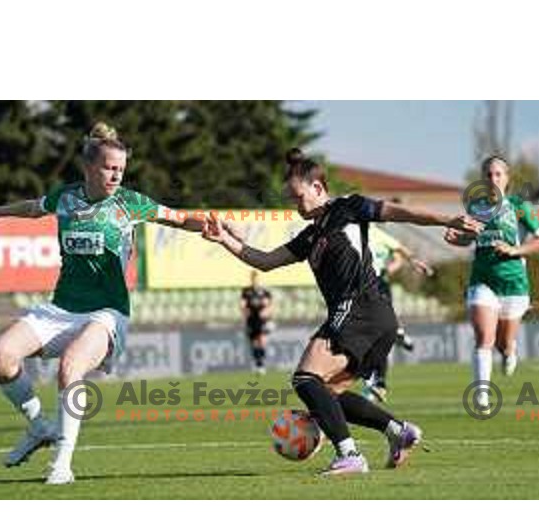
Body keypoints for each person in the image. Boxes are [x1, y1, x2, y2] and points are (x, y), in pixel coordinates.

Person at [203, 148, 482, 475]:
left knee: (306, 379)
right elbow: (264, 260)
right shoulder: (310, 236)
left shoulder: (348, 208)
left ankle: (349, 455)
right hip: (373, 318)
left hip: (362, 309)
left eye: (299, 197)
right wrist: (224, 239)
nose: (296, 206)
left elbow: (398, 212)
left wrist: (447, 219)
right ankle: (398, 430)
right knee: (329, 394)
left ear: (319, 188)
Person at [0, 122, 206, 485]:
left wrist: (208, 224)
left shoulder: (130, 203)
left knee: (71, 365)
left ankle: (62, 465)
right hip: (61, 308)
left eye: (120, 168)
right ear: (88, 167)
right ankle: (40, 427)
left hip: (107, 312)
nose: (116, 175)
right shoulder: (65, 197)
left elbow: (177, 218)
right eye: (108, 167)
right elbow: (34, 208)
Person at [445, 154, 539, 415]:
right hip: (483, 280)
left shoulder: (519, 205)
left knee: (503, 343)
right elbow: (467, 240)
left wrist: (514, 250)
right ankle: (482, 395)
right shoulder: (477, 207)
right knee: (484, 338)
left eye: (498, 174)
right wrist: (454, 238)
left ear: (507, 178)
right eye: (488, 175)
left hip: (514, 284)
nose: (493, 179)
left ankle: (510, 350)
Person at [362, 226, 434, 403]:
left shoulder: (376, 233)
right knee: (372, 336)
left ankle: (377, 384)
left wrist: (412, 261)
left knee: (376, 334)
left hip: (376, 284)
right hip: (358, 288)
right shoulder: (345, 232)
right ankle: (397, 333)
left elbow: (399, 252)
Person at [241, 270, 273, 375]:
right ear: (251, 279)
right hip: (251, 319)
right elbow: (242, 305)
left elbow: (270, 305)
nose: (255, 279)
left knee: (262, 341)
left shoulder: (264, 291)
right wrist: (245, 314)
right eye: (253, 277)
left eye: (256, 277)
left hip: (262, 320)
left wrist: (266, 312)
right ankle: (258, 363)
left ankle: (261, 364)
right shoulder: (246, 291)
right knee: (254, 343)